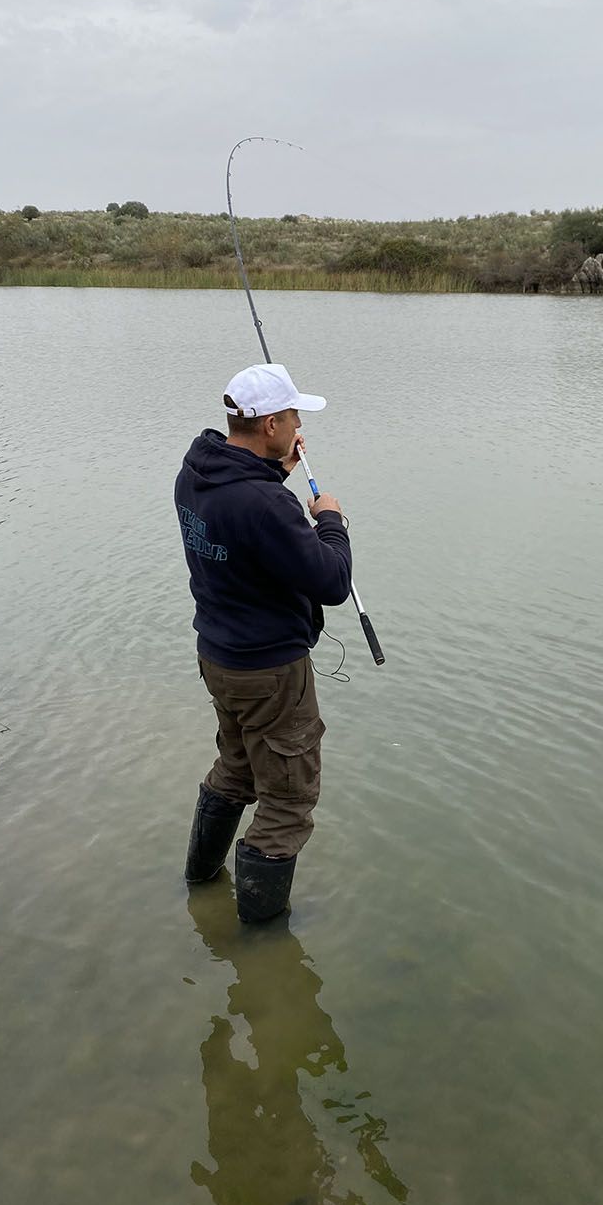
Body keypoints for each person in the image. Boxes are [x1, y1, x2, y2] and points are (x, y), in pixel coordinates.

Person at [175, 362, 352, 922]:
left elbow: (246, 524)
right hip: (270, 671)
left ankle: (200, 880)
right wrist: (330, 520)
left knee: (236, 769)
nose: (300, 423)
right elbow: (332, 583)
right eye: (294, 414)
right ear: (272, 423)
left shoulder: (197, 472)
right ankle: (263, 940)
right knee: (288, 801)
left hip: (219, 656)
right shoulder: (266, 503)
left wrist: (279, 473)